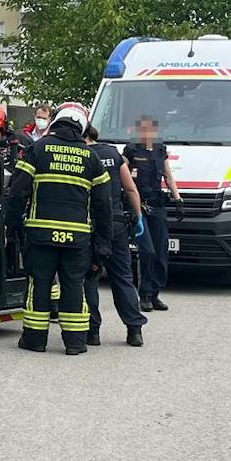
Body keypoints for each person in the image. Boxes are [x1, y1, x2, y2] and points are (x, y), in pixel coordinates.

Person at [4, 102, 112, 355]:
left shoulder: (37, 149)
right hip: (77, 239)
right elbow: (103, 206)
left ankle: (34, 340)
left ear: (55, 122)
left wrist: (11, 227)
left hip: (40, 235)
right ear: (82, 127)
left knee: (39, 284)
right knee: (74, 285)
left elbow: (17, 192)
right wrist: (103, 245)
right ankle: (75, 343)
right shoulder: (92, 158)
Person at [84, 126, 148, 347]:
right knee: (122, 276)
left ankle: (92, 332)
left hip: (90, 224)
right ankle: (134, 329)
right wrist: (138, 216)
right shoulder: (114, 154)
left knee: (89, 278)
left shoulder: (81, 154)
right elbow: (130, 189)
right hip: (117, 223)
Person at [124, 114, 181, 312]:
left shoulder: (160, 150)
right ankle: (144, 294)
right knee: (147, 250)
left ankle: (155, 293)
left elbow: (169, 176)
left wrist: (178, 199)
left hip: (157, 206)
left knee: (161, 251)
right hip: (138, 205)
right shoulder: (131, 151)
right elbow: (121, 173)